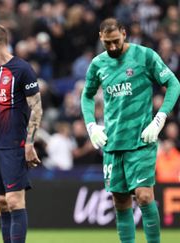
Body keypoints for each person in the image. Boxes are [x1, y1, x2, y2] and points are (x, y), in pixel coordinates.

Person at [81, 18, 180, 243]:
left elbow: (174, 84)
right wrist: (91, 125)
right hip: (113, 142)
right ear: (100, 38)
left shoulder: (145, 56)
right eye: (108, 43)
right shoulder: (98, 64)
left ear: (124, 33)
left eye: (116, 41)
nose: (113, 47)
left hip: (141, 139)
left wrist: (159, 119)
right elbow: (87, 95)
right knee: (120, 201)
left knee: (144, 196)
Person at [0, 24, 42, 243]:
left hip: (14, 145)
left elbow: (37, 107)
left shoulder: (22, 69)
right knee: (2, 203)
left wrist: (29, 142)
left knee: (15, 201)